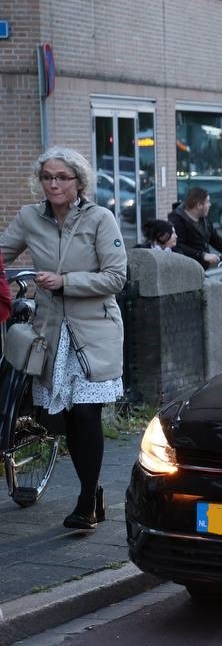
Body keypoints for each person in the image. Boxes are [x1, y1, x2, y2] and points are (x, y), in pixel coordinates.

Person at [0, 146, 127, 531]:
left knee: (87, 413)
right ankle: (93, 494)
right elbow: (1, 253)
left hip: (94, 331)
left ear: (79, 182)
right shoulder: (28, 218)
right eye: (47, 177)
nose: (54, 184)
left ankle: (88, 500)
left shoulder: (100, 219)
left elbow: (116, 277)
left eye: (62, 177)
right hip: (51, 332)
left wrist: (66, 282)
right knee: (63, 418)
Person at [169, 187, 222, 270]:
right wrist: (202, 255)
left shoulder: (204, 219)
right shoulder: (177, 220)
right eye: (207, 202)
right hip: (187, 271)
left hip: (201, 270)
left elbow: (215, 239)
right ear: (199, 205)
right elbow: (177, 246)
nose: (210, 205)